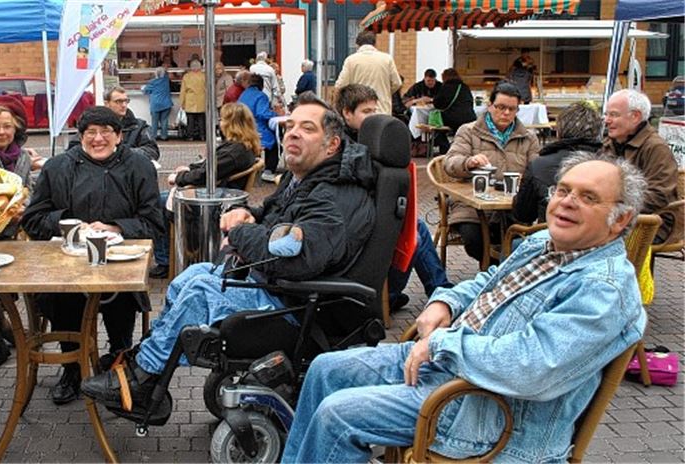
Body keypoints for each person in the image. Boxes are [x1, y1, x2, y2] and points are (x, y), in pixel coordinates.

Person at [283, 153, 647, 463]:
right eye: (563, 190)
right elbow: (488, 280)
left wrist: (442, 344)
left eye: (588, 197)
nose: (567, 202)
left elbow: (532, 366)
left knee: (338, 415)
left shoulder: (604, 289)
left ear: (620, 220)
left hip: (485, 412)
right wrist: (445, 299)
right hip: (450, 367)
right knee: (325, 368)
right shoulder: (543, 243)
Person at [81, 93, 377, 407]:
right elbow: (276, 215)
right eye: (290, 125)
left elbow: (296, 257)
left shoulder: (333, 195)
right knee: (189, 277)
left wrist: (239, 231)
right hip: (278, 287)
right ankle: (147, 361)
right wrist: (250, 214)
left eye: (307, 128)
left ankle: (142, 379)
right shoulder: (306, 179)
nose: (292, 132)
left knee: (200, 290)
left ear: (331, 146)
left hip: (297, 304)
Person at [20, 107, 164, 405]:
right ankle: (72, 368)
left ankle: (119, 361)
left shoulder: (139, 166)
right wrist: (68, 225)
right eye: (90, 133)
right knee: (62, 297)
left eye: (106, 132)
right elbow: (32, 220)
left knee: (122, 297)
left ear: (119, 136)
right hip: (67, 264)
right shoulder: (58, 167)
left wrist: (115, 227)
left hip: (120, 265)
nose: (98, 139)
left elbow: (154, 223)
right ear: (80, 136)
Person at [336, 84, 451, 311]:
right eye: (366, 112)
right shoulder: (344, 146)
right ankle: (426, 291)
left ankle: (414, 292)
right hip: (354, 227)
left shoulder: (368, 140)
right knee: (414, 232)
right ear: (347, 113)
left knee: (413, 227)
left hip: (366, 219)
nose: (373, 116)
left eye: (374, 110)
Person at [150, 102, 262, 279]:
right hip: (217, 192)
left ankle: (164, 260)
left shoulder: (234, 152)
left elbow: (204, 175)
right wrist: (189, 168)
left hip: (212, 199)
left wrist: (179, 177)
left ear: (231, 123)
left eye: (222, 119)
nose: (219, 123)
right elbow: (207, 168)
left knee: (154, 203)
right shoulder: (240, 147)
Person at [443, 81, 540, 263]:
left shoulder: (528, 138)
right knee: (474, 239)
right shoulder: (469, 131)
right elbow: (450, 163)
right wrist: (469, 162)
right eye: (501, 107)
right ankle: (497, 270)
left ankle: (502, 269)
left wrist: (526, 179)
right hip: (471, 205)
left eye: (512, 109)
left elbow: (537, 170)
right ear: (490, 106)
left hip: (512, 205)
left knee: (521, 239)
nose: (506, 113)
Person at [601, 89, 679, 243]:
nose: (607, 120)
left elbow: (659, 195)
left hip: (652, 222)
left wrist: (613, 206)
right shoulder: (610, 144)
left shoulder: (656, 148)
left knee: (590, 236)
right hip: (615, 215)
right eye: (606, 114)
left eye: (614, 115)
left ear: (635, 116)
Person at [514, 101, 603, 224]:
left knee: (515, 241)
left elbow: (523, 215)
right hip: (598, 238)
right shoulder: (610, 165)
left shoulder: (539, 165)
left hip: (550, 237)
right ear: (598, 132)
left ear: (559, 131)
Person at [334, 29, 402, 117]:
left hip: (359, 110)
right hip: (382, 109)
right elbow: (397, 83)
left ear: (357, 45)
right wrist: (385, 92)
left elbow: (340, 86)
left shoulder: (351, 60)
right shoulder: (387, 59)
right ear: (375, 44)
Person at [0, 99, 43, 189]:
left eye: (7, 126)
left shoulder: (24, 157)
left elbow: (27, 190)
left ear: (15, 129)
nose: (1, 132)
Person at [238, 73, 280, 183]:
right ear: (261, 85)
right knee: (275, 144)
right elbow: (262, 113)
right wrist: (276, 114)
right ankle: (269, 171)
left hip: (243, 129)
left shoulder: (243, 94)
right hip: (256, 129)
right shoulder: (261, 96)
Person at [430, 68, 476, 153]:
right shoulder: (465, 87)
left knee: (437, 125)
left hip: (453, 118)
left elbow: (437, 104)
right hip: (470, 117)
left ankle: (445, 148)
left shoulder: (446, 87)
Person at [143, 68, 173, 141]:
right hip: (166, 104)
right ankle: (164, 136)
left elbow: (145, 91)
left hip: (155, 104)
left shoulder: (152, 82)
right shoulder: (166, 80)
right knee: (164, 120)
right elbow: (166, 72)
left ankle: (154, 136)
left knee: (155, 121)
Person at [180, 60, 207, 141]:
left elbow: (183, 91)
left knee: (190, 121)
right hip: (202, 100)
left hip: (190, 100)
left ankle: (190, 136)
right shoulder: (204, 76)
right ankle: (202, 136)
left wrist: (182, 103)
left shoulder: (186, 76)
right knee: (201, 120)